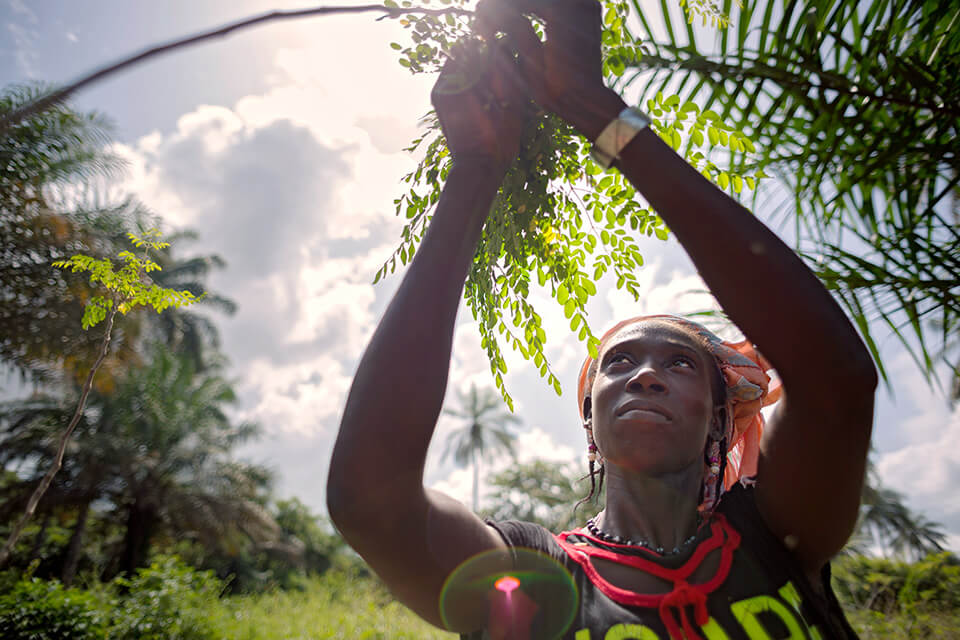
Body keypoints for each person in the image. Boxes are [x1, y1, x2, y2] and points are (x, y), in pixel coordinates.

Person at [327, 1, 877, 638]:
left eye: (679, 363)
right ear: (590, 419)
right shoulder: (535, 578)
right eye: (620, 363)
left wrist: (603, 116)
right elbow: (370, 504)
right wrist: (477, 168)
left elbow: (837, 381)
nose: (644, 376)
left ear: (720, 416)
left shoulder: (777, 534)